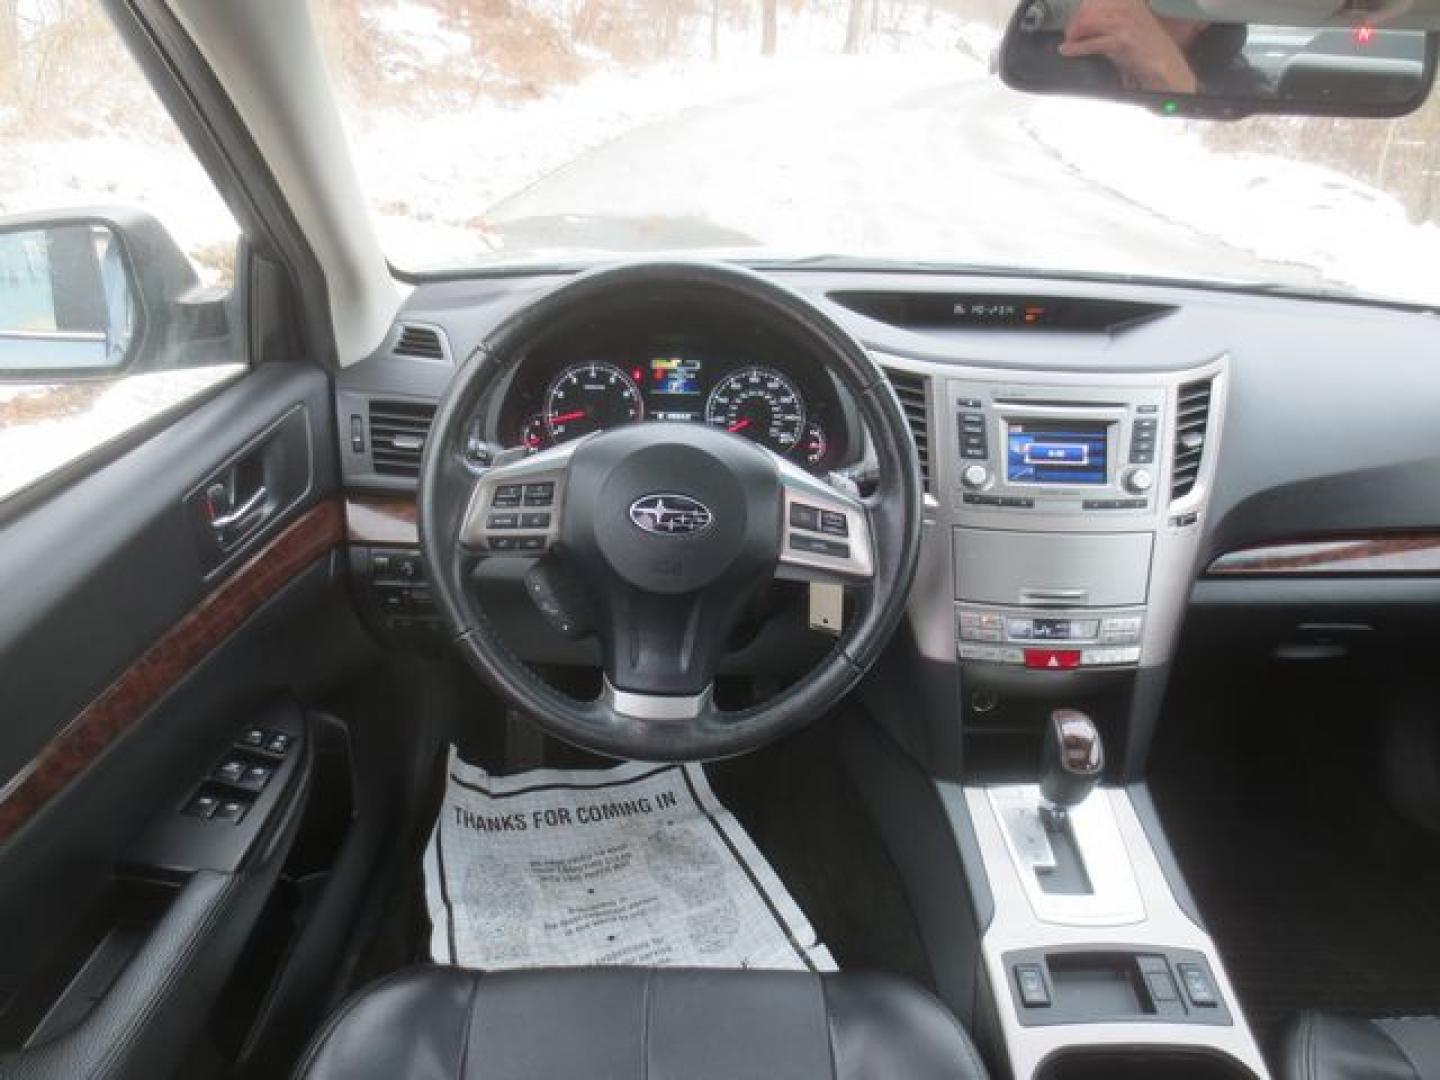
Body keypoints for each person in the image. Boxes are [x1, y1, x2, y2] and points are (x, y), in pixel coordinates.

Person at [1056, 0, 1262, 96]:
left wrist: (1171, 75)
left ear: (1204, 18)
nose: (1129, 7)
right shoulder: (1058, 46)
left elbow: (1234, 143)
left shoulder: (1245, 88)